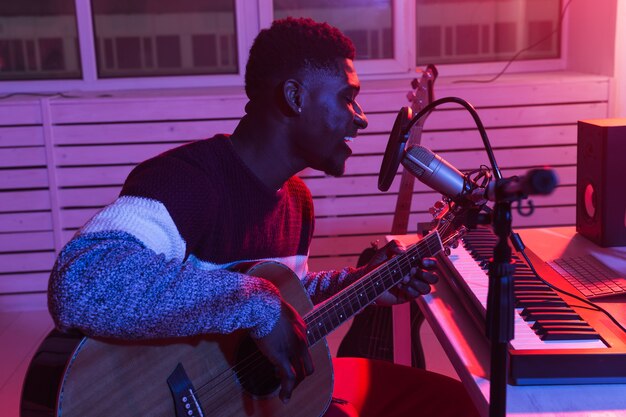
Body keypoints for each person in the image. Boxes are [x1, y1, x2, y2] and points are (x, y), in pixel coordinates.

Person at [48, 17, 480, 417]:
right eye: (348, 98)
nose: (362, 119)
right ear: (295, 97)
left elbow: (286, 297)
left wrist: (360, 283)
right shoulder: (187, 182)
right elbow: (82, 281)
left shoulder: (297, 200)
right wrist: (257, 303)